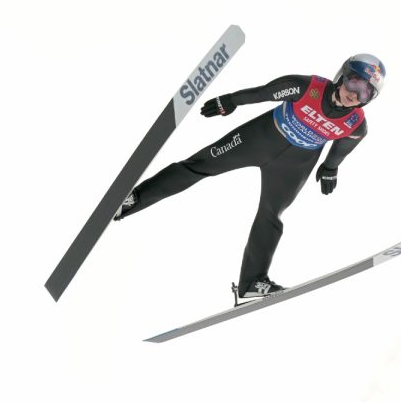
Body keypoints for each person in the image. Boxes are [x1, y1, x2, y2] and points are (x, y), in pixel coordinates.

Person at [113, 53, 386, 299]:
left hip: (294, 165)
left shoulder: (356, 125)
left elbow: (342, 148)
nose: (355, 94)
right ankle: (133, 200)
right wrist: (231, 101)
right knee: (199, 165)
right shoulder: (307, 87)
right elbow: (266, 92)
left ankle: (253, 282)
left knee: (271, 215)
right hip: (259, 139)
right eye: (354, 83)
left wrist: (330, 168)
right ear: (342, 76)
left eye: (365, 92)